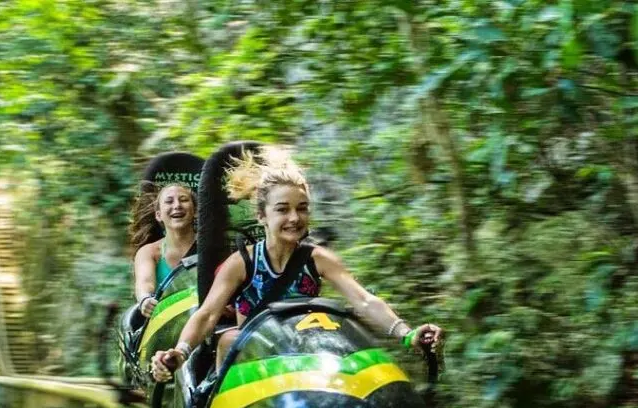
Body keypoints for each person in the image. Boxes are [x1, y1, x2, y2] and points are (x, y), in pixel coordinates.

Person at [150, 145, 443, 382]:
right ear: (262, 216)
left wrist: (407, 334)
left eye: (302, 209)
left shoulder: (318, 259)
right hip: (254, 359)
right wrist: (180, 351)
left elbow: (364, 301)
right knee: (229, 338)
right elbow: (207, 314)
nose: (294, 218)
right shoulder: (241, 264)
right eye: (283, 210)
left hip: (307, 355)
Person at [129, 182, 197, 318]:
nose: (177, 205)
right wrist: (145, 299)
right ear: (158, 215)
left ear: (195, 211)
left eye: (183, 200)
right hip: (164, 322)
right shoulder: (149, 252)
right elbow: (145, 283)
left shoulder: (211, 247)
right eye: (169, 201)